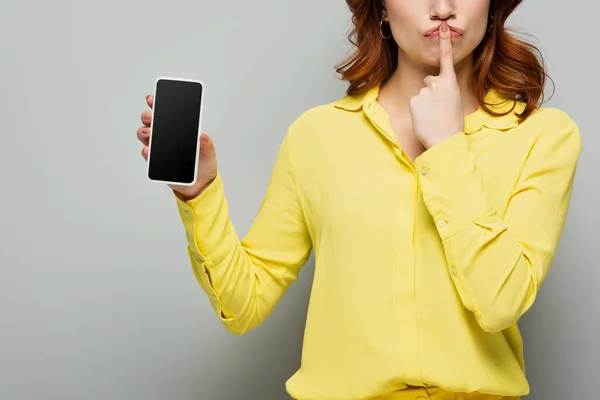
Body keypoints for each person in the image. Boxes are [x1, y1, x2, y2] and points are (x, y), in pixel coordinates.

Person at [136, 0, 582, 399]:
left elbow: (502, 301)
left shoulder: (541, 136)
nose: (443, 7)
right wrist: (200, 193)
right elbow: (242, 304)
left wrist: (447, 148)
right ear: (381, 8)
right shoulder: (316, 136)